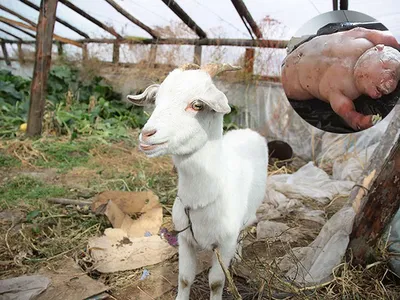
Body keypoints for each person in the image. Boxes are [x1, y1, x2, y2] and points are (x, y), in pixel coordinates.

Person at [281, 27, 400, 130]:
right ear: (378, 48)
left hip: (288, 82)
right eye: (390, 72)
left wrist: (360, 120)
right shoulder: (364, 41)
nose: (390, 84)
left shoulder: (348, 91)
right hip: (295, 53)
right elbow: (378, 35)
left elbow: (347, 113)